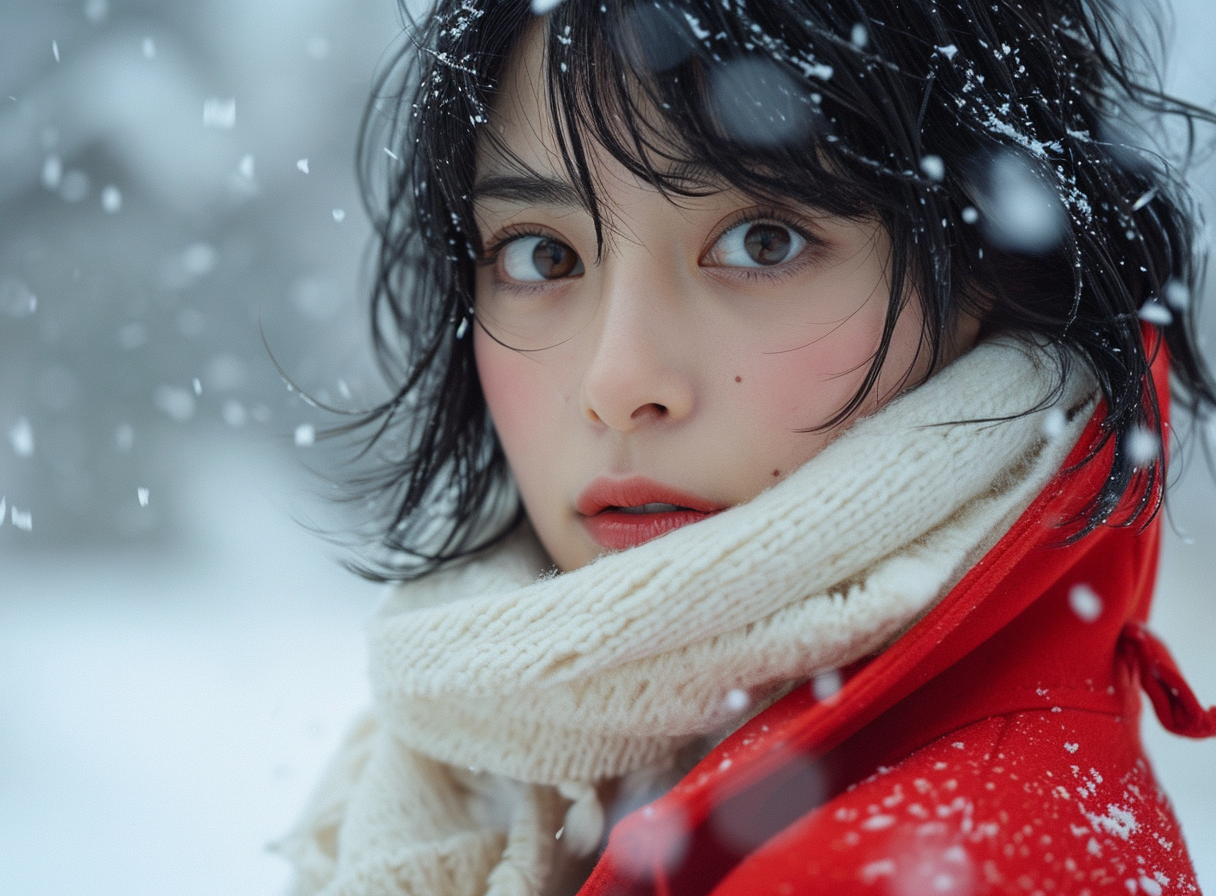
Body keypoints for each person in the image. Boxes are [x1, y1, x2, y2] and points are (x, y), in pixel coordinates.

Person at [279, 0, 1216, 893]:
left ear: (990, 273)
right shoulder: (481, 762)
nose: (616, 382)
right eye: (541, 255)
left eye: (762, 241)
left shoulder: (951, 866)